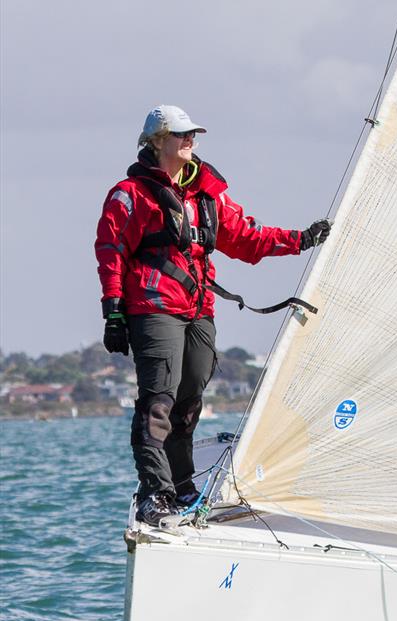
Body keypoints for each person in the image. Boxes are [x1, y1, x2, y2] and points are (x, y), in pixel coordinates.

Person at [95, 104, 331, 526]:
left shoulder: (208, 194)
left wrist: (302, 240)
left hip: (199, 307)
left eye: (193, 135)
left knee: (190, 400)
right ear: (157, 141)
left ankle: (182, 483)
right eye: (182, 134)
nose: (191, 141)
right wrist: (113, 311)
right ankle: (156, 493)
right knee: (158, 402)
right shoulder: (128, 196)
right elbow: (110, 253)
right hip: (154, 308)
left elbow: (247, 237)